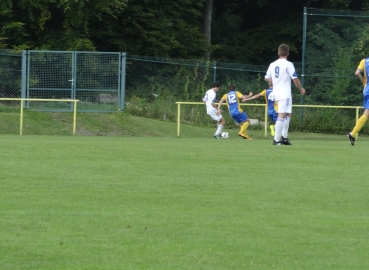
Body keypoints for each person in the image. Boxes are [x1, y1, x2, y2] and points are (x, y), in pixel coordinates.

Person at [264, 44, 306, 145]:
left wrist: (275, 81)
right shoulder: (288, 64)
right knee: (282, 115)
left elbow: (266, 78)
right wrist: (301, 89)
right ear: (288, 53)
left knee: (288, 114)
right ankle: (277, 139)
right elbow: (295, 79)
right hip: (284, 93)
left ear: (278, 53)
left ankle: (284, 138)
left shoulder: (272, 64)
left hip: (276, 92)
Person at [347, 58, 369, 146]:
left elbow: (357, 73)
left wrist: (364, 82)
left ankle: (352, 134)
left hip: (366, 89)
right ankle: (352, 134)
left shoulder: (364, 61)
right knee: (366, 113)